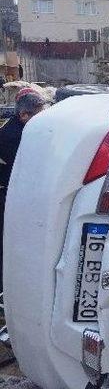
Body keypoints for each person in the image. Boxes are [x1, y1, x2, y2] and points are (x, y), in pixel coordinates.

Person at [0, 89, 47, 290]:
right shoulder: (12, 136)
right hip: (8, 194)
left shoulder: (23, 129)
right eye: (37, 115)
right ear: (23, 115)